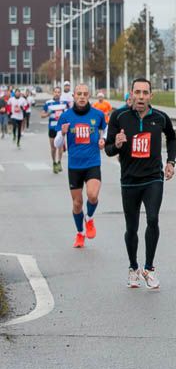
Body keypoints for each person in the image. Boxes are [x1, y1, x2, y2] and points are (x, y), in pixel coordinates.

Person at [105, 76, 176, 289]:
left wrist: (171, 162)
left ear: (151, 96)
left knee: (153, 219)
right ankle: (133, 267)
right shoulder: (119, 117)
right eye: (137, 92)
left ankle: (149, 267)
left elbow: (172, 138)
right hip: (129, 180)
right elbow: (108, 149)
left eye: (145, 93)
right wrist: (117, 144)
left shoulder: (161, 118)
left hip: (153, 177)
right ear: (131, 94)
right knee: (131, 228)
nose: (141, 97)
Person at [55, 83, 106, 247]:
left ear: (89, 96)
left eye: (85, 94)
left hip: (92, 162)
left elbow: (106, 130)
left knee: (92, 196)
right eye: (79, 94)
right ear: (74, 96)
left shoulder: (97, 115)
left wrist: (103, 140)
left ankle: (89, 219)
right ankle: (80, 233)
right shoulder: (66, 116)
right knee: (77, 204)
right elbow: (57, 144)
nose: (82, 97)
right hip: (75, 166)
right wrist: (62, 133)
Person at [41, 85, 69, 172]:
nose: (57, 94)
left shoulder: (64, 103)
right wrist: (48, 114)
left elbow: (69, 114)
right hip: (52, 127)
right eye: (55, 92)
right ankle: (54, 162)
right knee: (53, 148)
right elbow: (42, 115)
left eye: (58, 92)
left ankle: (59, 162)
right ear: (53, 93)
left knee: (60, 146)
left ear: (60, 93)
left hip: (60, 128)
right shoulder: (48, 103)